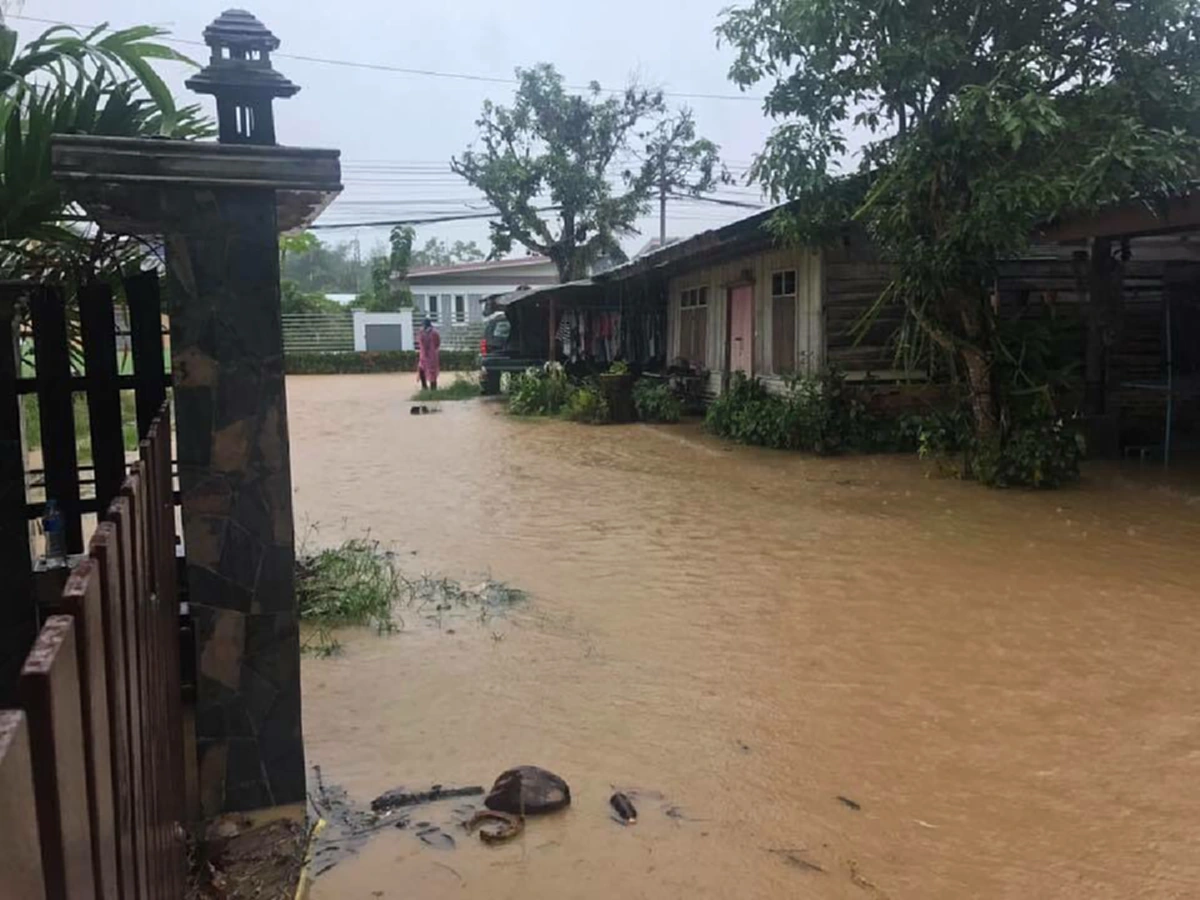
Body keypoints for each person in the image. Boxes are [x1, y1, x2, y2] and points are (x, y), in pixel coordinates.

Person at [417, 316, 441, 390]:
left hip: (432, 356)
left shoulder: (434, 333)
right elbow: (419, 343)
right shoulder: (421, 332)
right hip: (423, 356)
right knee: (421, 370)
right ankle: (424, 387)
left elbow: (437, 343)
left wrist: (432, 350)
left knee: (432, 372)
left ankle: (433, 388)